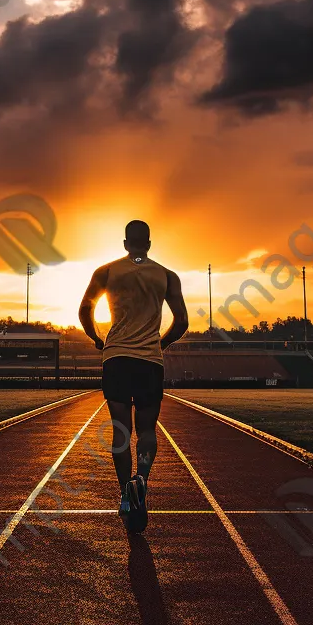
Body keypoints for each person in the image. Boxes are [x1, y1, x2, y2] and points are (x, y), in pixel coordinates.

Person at [79, 220, 189, 534]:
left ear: (126, 243)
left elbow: (85, 310)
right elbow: (181, 321)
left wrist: (98, 339)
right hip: (149, 362)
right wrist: (161, 342)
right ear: (149, 244)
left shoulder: (106, 271)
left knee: (120, 432)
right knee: (147, 429)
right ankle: (141, 477)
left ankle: (126, 490)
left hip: (116, 359)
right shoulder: (167, 276)